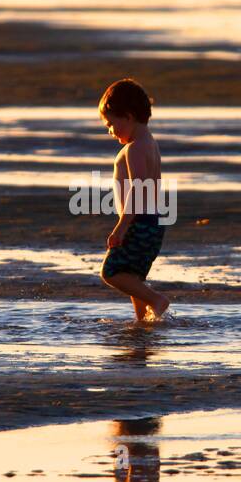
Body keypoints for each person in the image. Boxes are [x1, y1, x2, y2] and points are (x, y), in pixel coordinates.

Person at [98, 78, 171, 322]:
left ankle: (157, 301)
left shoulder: (136, 148)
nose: (110, 130)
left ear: (128, 116)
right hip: (151, 221)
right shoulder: (150, 143)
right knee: (132, 275)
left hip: (138, 221)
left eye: (111, 123)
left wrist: (122, 226)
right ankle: (142, 322)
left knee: (111, 272)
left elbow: (138, 190)